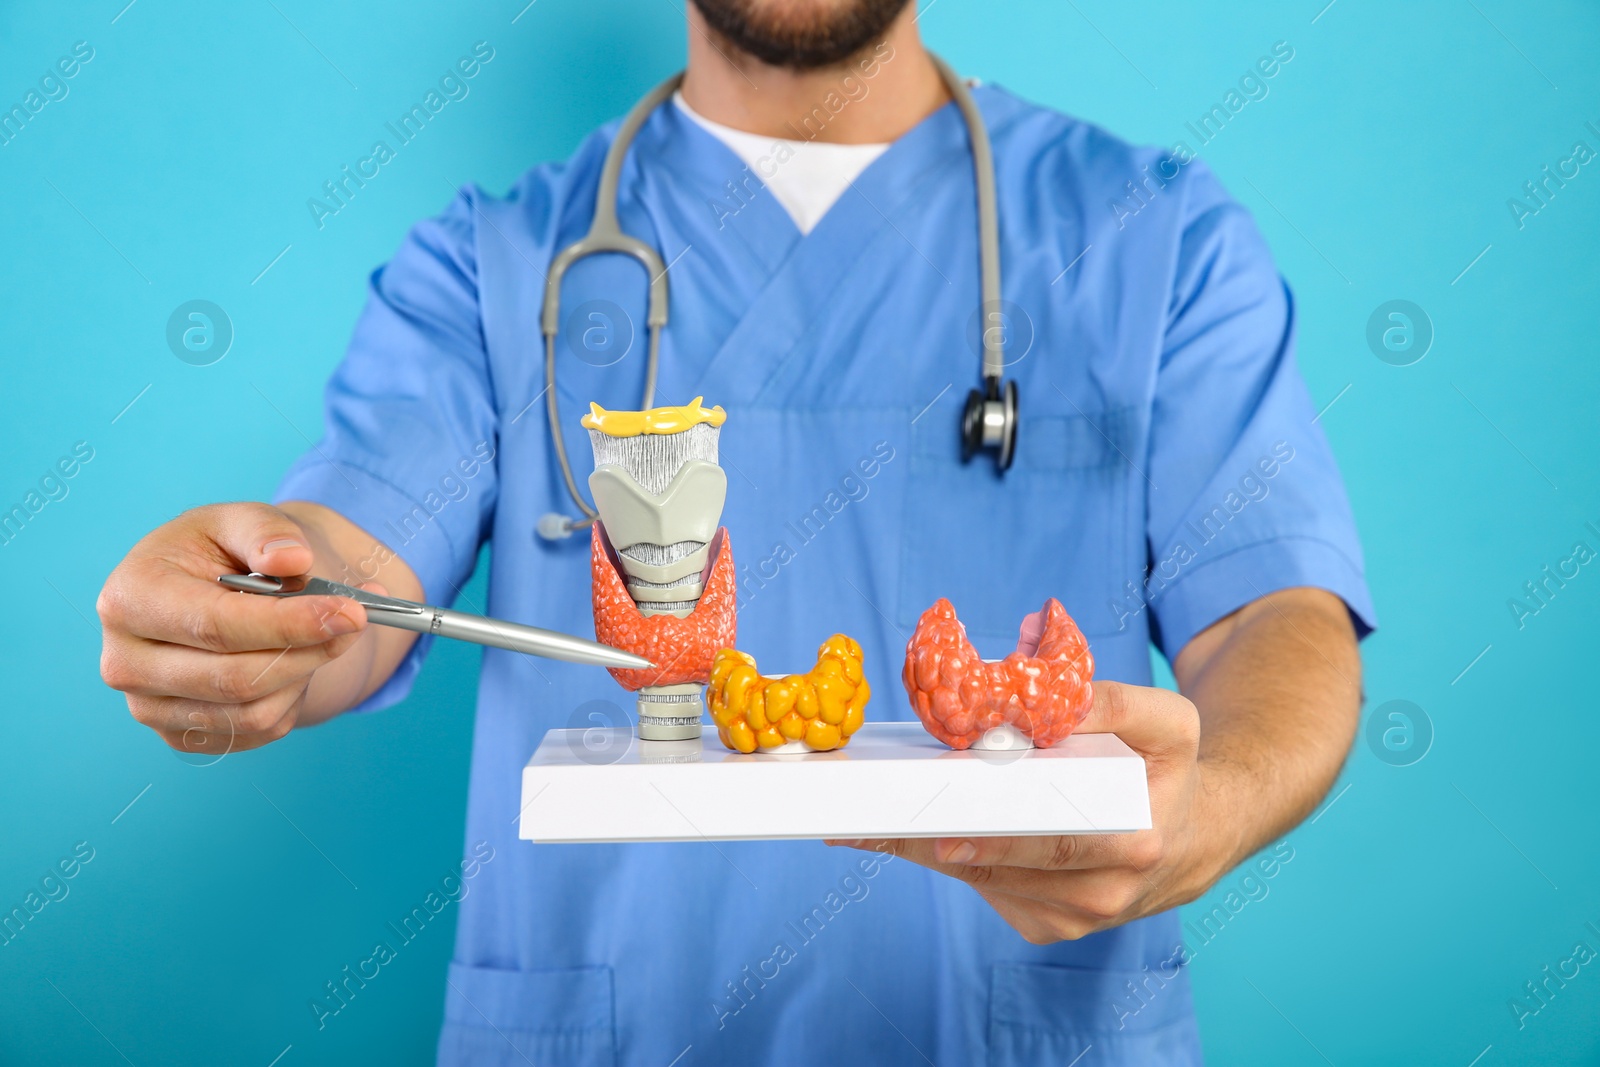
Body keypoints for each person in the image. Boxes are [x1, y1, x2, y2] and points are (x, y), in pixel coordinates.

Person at [96, 1, 1374, 1063]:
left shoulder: (1155, 238)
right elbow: (350, 561)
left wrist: (1213, 799)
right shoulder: (496, 264)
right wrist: (250, 612)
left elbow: (1275, 609)